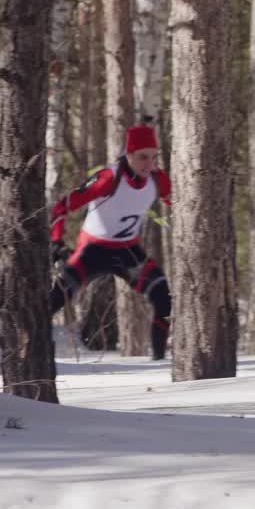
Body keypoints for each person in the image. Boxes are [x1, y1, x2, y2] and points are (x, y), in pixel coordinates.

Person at [49, 125, 173, 360]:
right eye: (142, 157)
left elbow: (176, 201)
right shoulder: (109, 177)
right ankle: (25, 350)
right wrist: (56, 241)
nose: (149, 164)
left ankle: (159, 362)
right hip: (92, 251)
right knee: (56, 298)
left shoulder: (158, 180)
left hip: (128, 252)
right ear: (128, 154)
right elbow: (62, 206)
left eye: (154, 157)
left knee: (162, 296)